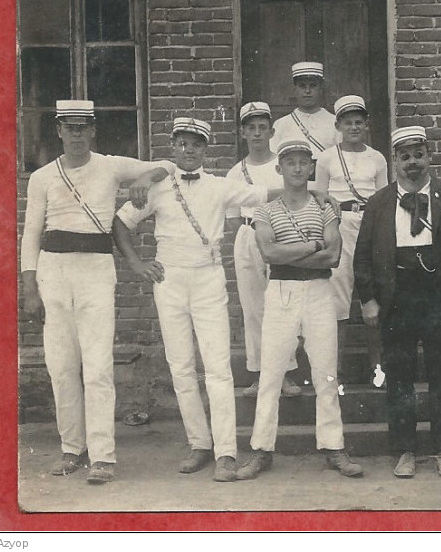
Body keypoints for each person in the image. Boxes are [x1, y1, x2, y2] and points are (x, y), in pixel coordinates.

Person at [19, 100, 172, 484]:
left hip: (96, 271)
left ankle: (103, 456)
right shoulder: (42, 177)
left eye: (82, 128)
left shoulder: (110, 165)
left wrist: (144, 177)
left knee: (99, 365)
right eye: (68, 128)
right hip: (53, 271)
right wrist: (29, 287)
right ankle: (72, 448)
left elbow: (168, 167)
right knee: (61, 364)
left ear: (92, 131)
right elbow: (31, 233)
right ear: (58, 131)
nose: (75, 134)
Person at [112, 117, 273, 483]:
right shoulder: (157, 187)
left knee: (217, 367)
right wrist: (137, 264)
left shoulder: (220, 186)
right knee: (181, 366)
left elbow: (267, 192)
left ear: (205, 149)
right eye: (182, 143)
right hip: (169, 279)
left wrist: (316, 190)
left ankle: (226, 452)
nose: (188, 150)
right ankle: (199, 444)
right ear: (173, 146)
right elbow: (121, 224)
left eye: (196, 144)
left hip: (208, 278)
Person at [236, 140, 363, 480]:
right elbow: (269, 254)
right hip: (281, 291)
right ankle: (261, 450)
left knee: (326, 375)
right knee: (271, 376)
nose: (296, 168)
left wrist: (292, 248)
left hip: (320, 291)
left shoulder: (325, 208)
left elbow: (333, 256)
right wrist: (312, 245)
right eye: (289, 162)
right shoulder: (265, 211)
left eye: (302, 162)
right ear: (279, 168)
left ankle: (334, 447)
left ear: (311, 168)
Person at [353, 125, 441, 480]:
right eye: (404, 157)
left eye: (418, 155)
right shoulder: (378, 203)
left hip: (440, 298)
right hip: (397, 298)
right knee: (401, 377)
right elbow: (362, 257)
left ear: (429, 156)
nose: (412, 163)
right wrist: (369, 299)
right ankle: (405, 450)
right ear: (394, 161)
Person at [224, 102, 301, 399]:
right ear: (243, 132)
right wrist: (249, 235)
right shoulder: (235, 172)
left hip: (281, 237)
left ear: (271, 131)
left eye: (262, 127)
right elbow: (232, 218)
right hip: (247, 235)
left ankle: (285, 373)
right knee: (253, 307)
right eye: (251, 127)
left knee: (282, 304)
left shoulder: (281, 165)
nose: (257, 133)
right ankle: (258, 374)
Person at [315, 95, 388, 391]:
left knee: (375, 295)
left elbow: (384, 199)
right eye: (348, 122)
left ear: (367, 125)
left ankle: (378, 368)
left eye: (359, 122)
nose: (354, 127)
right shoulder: (326, 158)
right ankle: (336, 372)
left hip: (370, 225)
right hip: (338, 224)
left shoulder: (377, 158)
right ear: (338, 126)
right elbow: (319, 199)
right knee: (338, 300)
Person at [270, 61, 339, 192]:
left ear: (320, 89)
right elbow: (273, 163)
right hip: (291, 192)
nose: (307, 91)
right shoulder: (281, 124)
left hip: (327, 191)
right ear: (294, 89)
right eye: (302, 86)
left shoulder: (335, 123)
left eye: (312, 86)